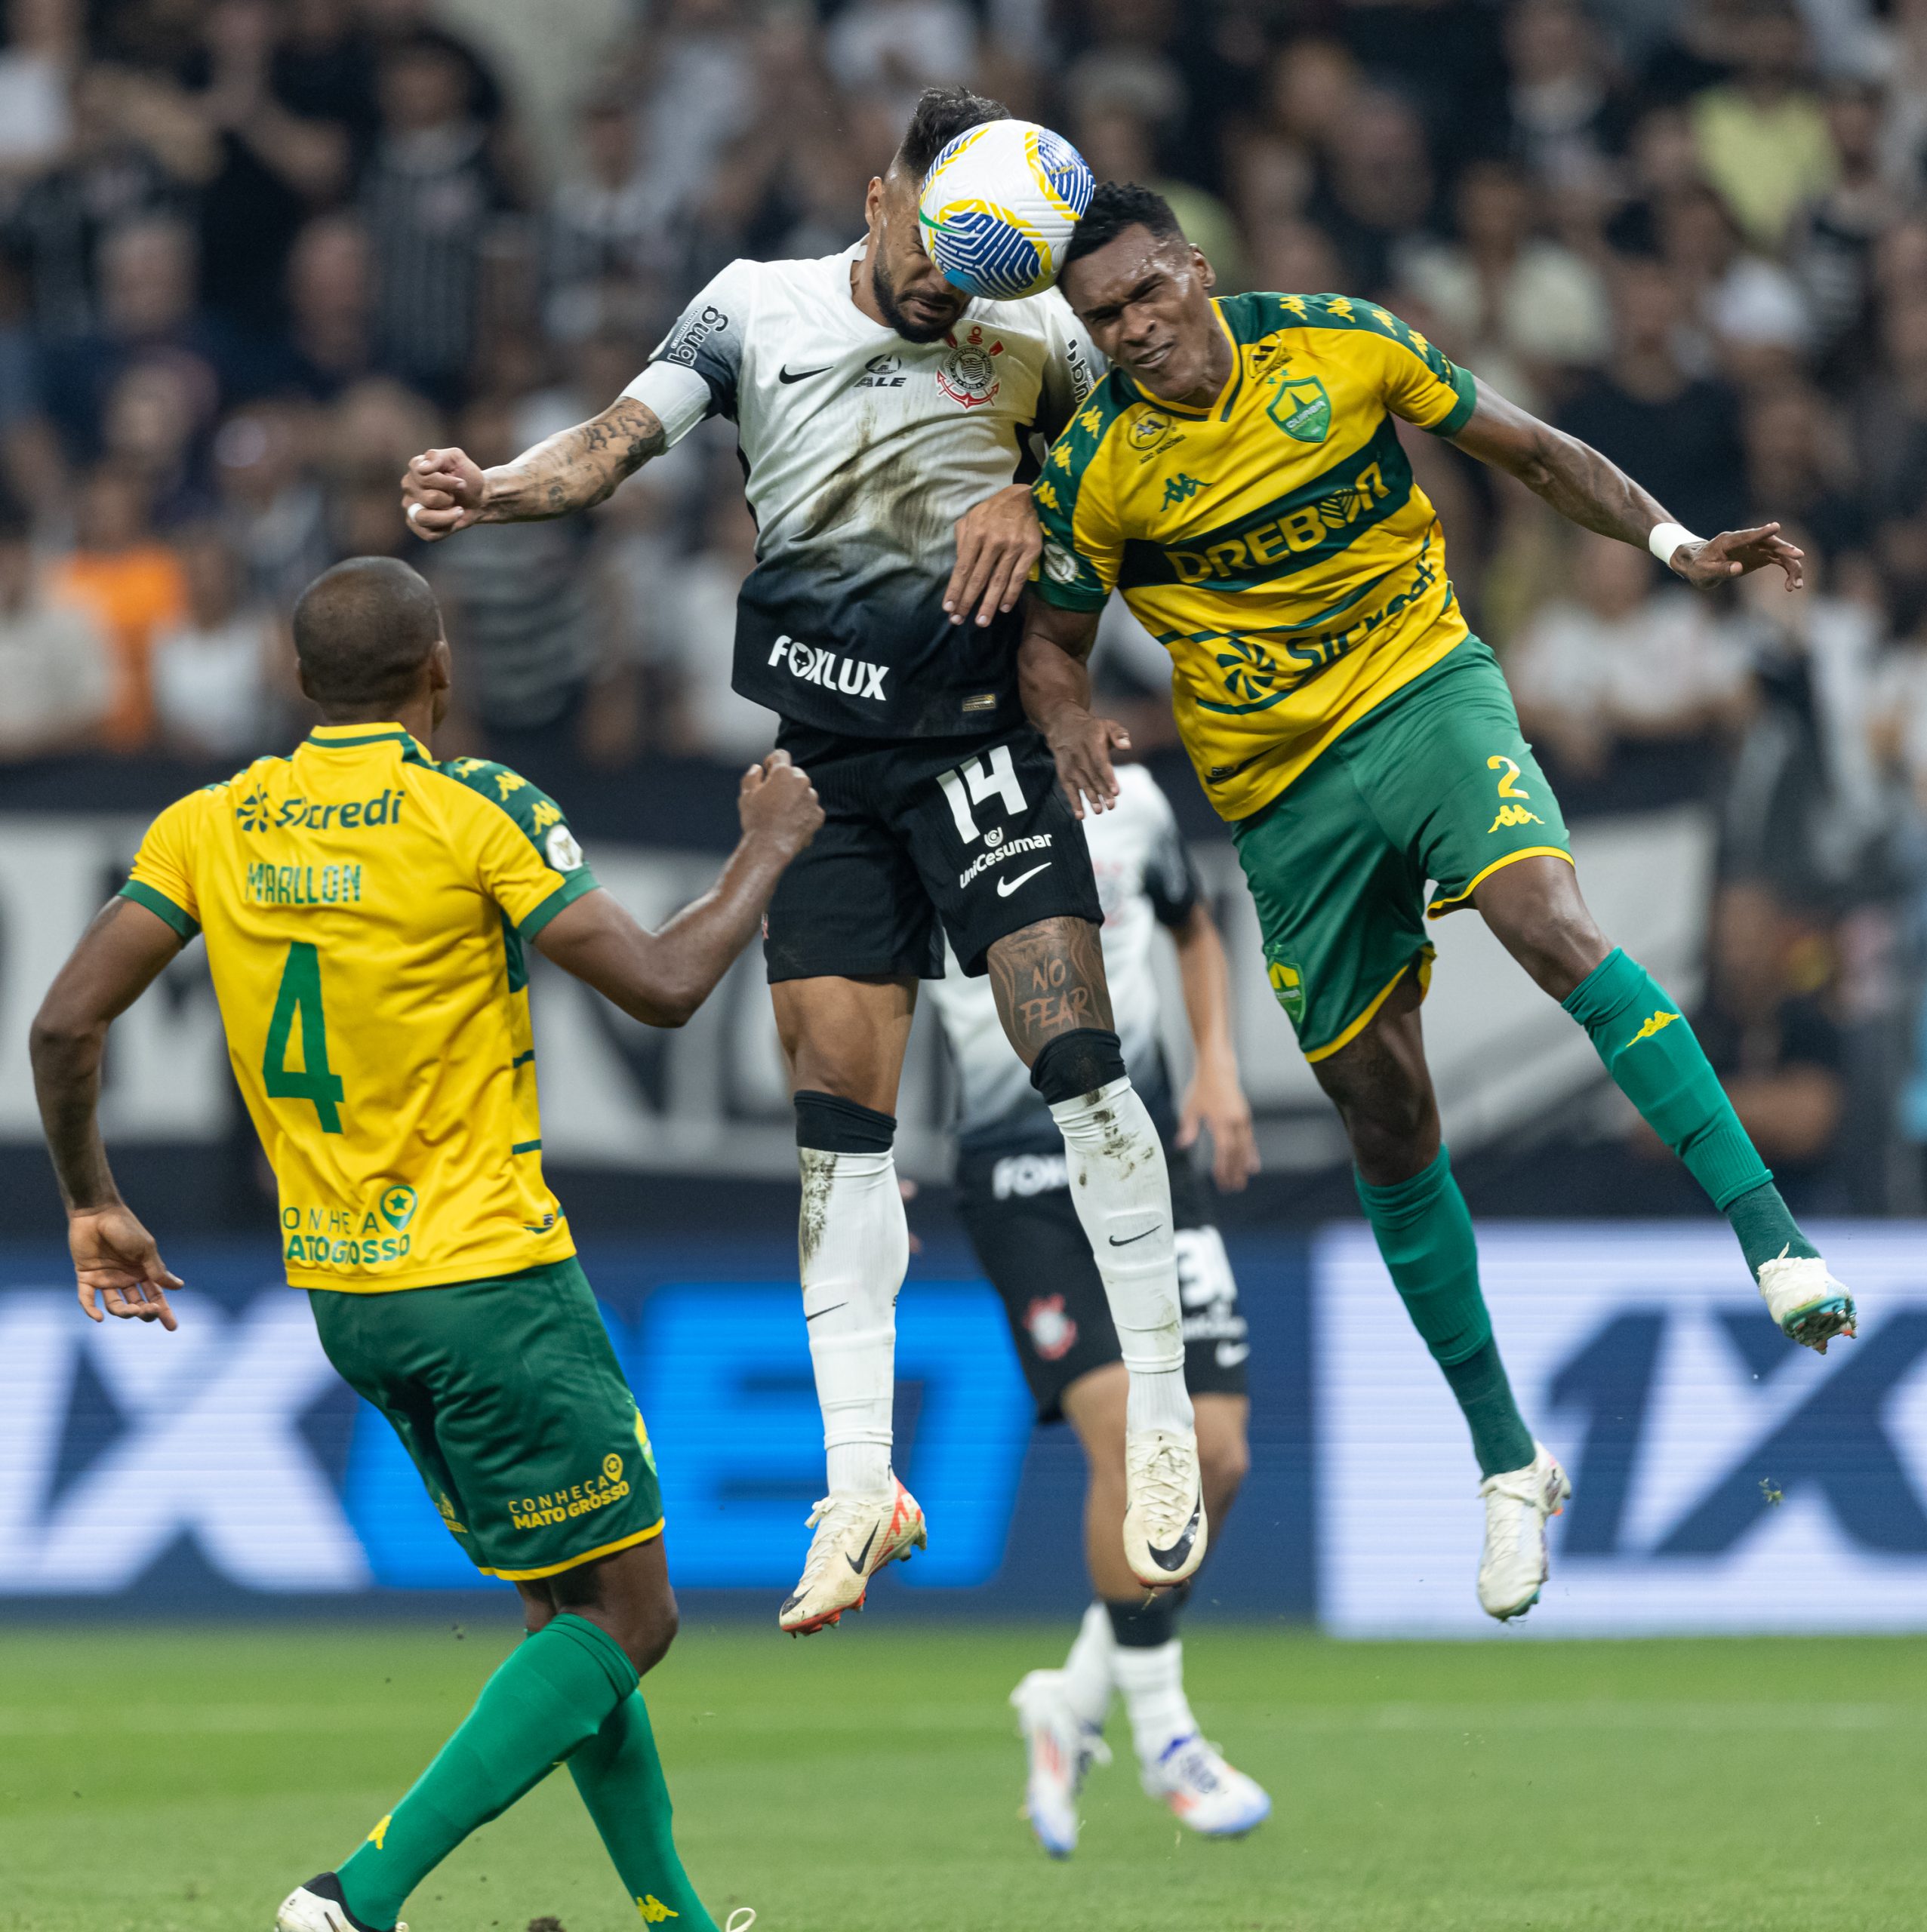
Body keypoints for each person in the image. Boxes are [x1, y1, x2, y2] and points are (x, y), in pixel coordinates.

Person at [398, 88, 1211, 1635]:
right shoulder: (750, 308)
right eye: (930, 247)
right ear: (876, 193)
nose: (947, 289)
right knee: (837, 1125)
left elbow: (1153, 453)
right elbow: (622, 440)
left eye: (980, 272)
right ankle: (857, 1483)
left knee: (1079, 1063)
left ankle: (1156, 1423)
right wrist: (499, 487)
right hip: (828, 768)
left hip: (979, 748)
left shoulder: (1039, 325)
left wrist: (1034, 493)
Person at [1020, 183, 1858, 1623]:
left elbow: (1531, 453)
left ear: (1194, 267)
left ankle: (1772, 1238)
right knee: (1384, 1112)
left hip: (1424, 693)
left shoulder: (1341, 348)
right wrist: (1065, 715)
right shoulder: (1099, 465)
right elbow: (1047, 640)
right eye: (1102, 319)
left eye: (1147, 292)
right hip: (1279, 802)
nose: (1134, 329)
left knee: (1551, 926)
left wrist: (1676, 550)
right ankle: (1504, 1461)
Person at [28, 555, 820, 1932]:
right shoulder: (475, 813)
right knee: (633, 1621)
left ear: (297, 680)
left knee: (568, 1622)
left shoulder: (213, 823)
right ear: (441, 672)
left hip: (350, 1296)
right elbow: (666, 983)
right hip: (490, 1278)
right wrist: (767, 844)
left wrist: (94, 1197)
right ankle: (357, 1897)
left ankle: (676, 1925)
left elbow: (61, 1023)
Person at [925, 761, 1268, 1850]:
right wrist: (855, 1136)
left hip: (1154, 1150)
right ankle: (1166, 1737)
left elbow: (1190, 923)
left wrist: (1215, 1066)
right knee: (1134, 1449)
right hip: (1020, 1167)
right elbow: (859, 983)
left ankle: (1071, 1703)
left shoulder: (1133, 796)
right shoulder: (912, 802)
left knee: (1215, 1458)